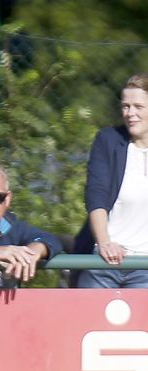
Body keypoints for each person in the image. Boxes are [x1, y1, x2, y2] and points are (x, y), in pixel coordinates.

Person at [74, 73, 148, 288]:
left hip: (145, 267)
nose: (130, 113)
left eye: (138, 106)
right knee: (91, 320)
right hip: (105, 262)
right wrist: (105, 243)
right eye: (125, 106)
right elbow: (96, 195)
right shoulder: (108, 140)